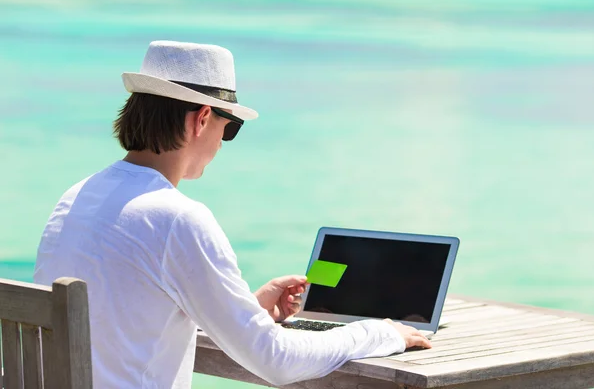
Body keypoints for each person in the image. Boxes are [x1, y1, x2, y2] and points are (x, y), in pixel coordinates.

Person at [34, 40, 431, 389]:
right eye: (229, 128)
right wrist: (379, 332)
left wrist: (248, 310)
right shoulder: (177, 218)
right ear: (201, 118)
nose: (223, 144)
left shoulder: (76, 197)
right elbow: (277, 362)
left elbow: (128, 317)